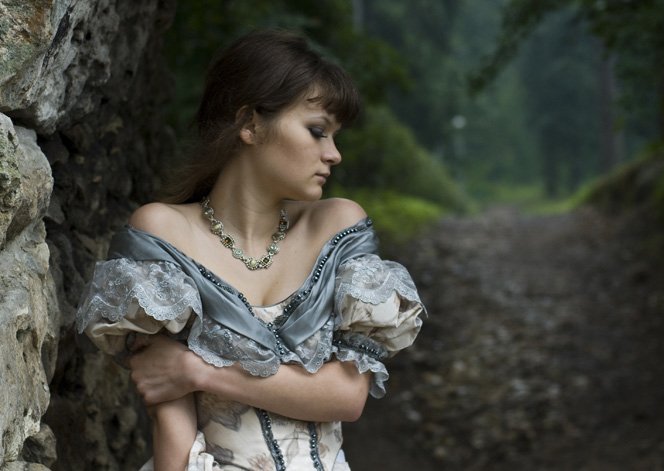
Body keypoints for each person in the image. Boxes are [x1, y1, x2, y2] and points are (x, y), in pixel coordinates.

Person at [75, 29, 425, 470]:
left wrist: (200, 371)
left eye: (334, 137)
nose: (334, 154)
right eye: (318, 131)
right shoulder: (163, 232)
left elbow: (346, 396)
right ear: (249, 124)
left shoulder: (338, 227)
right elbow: (168, 412)